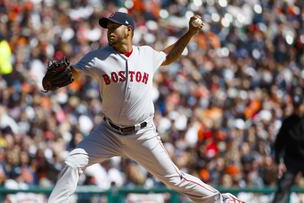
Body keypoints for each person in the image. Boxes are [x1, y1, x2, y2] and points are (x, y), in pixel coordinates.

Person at [44, 11, 243, 203]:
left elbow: (169, 55)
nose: (110, 31)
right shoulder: (97, 57)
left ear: (129, 30)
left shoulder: (146, 54)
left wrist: (190, 33)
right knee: (73, 162)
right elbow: (73, 74)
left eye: (115, 27)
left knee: (174, 179)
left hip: (142, 134)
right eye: (108, 27)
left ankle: (222, 200)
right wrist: (54, 80)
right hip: (109, 133)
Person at [272, 91, 304, 203]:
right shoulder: (288, 122)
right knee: (283, 187)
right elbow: (279, 144)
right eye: (295, 106)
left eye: (299, 105)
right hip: (291, 161)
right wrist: (279, 161)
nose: (298, 108)